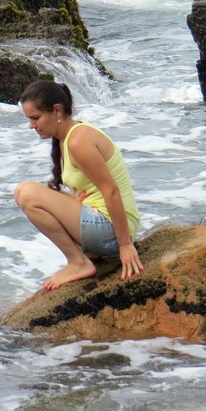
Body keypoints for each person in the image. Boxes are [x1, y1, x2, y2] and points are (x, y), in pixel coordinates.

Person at [14, 80, 144, 290]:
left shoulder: (78, 140)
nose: (31, 126)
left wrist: (125, 245)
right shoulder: (70, 136)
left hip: (110, 230)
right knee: (35, 192)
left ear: (57, 110)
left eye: (35, 118)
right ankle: (85, 256)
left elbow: (111, 191)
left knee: (26, 193)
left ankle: (78, 262)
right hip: (105, 227)